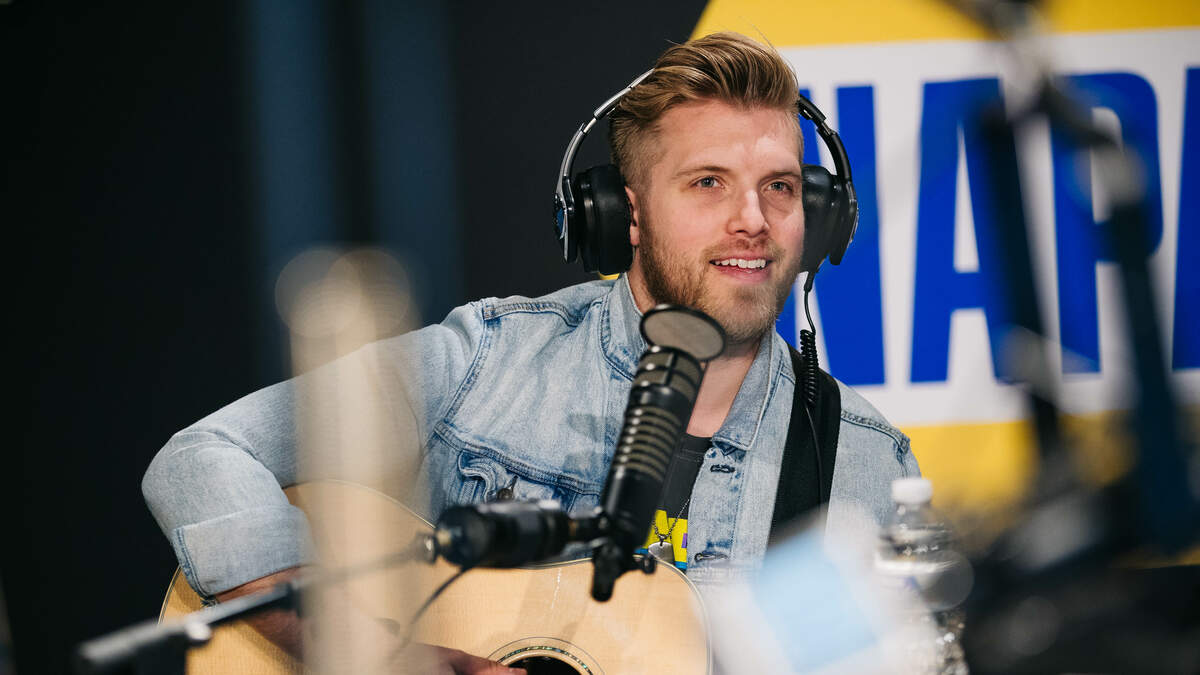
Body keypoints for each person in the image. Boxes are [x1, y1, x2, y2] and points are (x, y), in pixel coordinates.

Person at [143, 32, 919, 673]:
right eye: (708, 182)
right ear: (624, 214)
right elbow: (202, 456)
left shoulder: (863, 465)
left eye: (780, 186)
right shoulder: (486, 360)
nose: (753, 218)